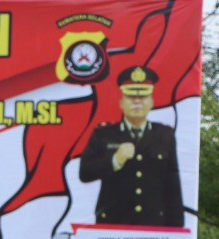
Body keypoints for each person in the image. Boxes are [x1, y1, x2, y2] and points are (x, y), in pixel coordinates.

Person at [78, 65, 184, 227]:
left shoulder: (164, 135)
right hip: (113, 224)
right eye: (130, 96)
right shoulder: (104, 134)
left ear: (151, 102)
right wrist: (114, 161)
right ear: (121, 102)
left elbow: (173, 184)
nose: (136, 101)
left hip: (154, 226)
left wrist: (177, 230)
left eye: (142, 96)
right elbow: (85, 173)